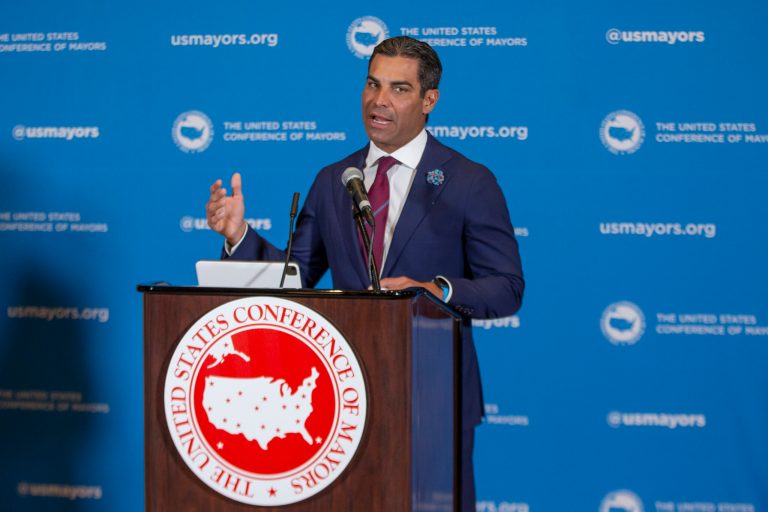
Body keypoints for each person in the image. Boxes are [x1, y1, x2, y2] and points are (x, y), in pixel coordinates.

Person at [206, 36, 524, 511]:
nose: (379, 100)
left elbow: (506, 288)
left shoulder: (468, 181)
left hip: (434, 395)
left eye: (399, 89)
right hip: (344, 396)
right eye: (373, 84)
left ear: (429, 100)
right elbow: (296, 276)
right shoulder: (334, 179)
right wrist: (239, 236)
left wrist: (432, 290)